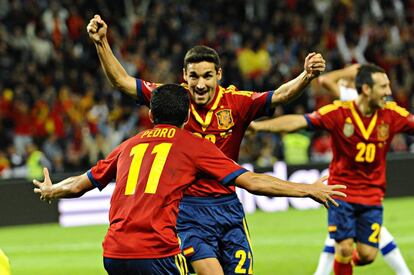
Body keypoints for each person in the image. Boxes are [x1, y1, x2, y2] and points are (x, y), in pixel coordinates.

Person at [86, 14, 326, 274]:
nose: (200, 84)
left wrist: (305, 77)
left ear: (219, 75)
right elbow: (121, 81)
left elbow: (279, 95)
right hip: (187, 209)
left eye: (207, 76)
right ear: (184, 76)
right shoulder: (171, 99)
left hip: (227, 207)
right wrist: (102, 43)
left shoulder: (237, 102)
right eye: (194, 76)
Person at [33, 84, 346, 275]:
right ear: (186, 118)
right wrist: (307, 189)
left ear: (152, 116)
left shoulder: (128, 145)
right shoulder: (191, 144)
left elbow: (77, 185)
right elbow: (250, 182)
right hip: (156, 251)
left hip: (113, 253)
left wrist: (51, 189)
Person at [249, 64, 414, 275]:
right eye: (383, 87)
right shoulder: (339, 112)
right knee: (344, 248)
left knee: (367, 256)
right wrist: (260, 126)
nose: (389, 92)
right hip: (341, 192)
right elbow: (300, 121)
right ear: (366, 89)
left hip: (372, 195)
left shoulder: (392, 115)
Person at [313, 64, 412, 275]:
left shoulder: (378, 102)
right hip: (346, 183)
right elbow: (324, 81)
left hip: (368, 186)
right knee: (344, 245)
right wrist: (350, 70)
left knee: (359, 251)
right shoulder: (348, 98)